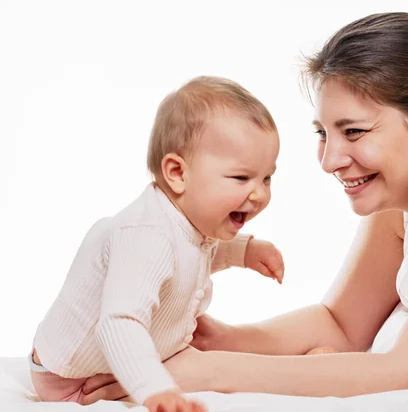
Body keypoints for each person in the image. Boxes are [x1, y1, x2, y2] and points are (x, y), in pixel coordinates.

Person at [80, 12, 408, 404]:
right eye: (323, 134)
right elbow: (343, 325)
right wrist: (223, 342)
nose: (330, 160)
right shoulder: (404, 192)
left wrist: (201, 374)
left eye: (354, 132)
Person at [30, 76, 284, 412]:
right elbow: (119, 323)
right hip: (74, 381)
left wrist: (244, 250)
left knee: (211, 356)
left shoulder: (183, 222)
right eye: (242, 178)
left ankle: (298, 359)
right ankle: (304, 369)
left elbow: (193, 253)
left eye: (267, 177)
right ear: (178, 173)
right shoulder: (146, 236)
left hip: (146, 347)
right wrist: (154, 391)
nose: (261, 193)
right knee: (206, 367)